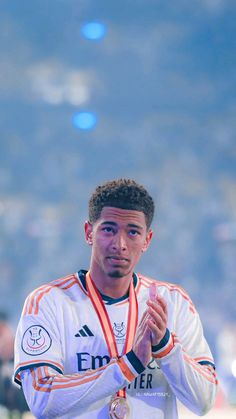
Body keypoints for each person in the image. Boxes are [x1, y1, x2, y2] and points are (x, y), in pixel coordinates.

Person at [14, 179, 217, 418]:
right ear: (89, 232)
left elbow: (203, 402)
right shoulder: (48, 302)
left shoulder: (173, 302)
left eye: (133, 232)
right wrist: (128, 365)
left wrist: (165, 347)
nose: (120, 244)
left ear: (147, 240)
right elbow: (42, 400)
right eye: (109, 229)